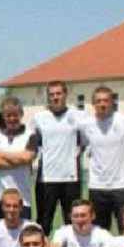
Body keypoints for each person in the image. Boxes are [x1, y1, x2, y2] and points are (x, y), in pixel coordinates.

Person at [30, 81, 83, 235]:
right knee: (43, 223)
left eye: (58, 93)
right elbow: (32, 144)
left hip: (71, 178)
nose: (55, 97)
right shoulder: (39, 118)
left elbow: (87, 139)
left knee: (73, 223)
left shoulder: (79, 116)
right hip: (46, 178)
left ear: (65, 94)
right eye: (51, 94)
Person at [80, 86, 124, 232]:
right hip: (97, 186)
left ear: (112, 102)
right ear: (93, 103)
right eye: (98, 101)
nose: (102, 104)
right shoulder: (85, 125)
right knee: (99, 232)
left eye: (106, 100)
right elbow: (81, 146)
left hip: (122, 185)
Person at [0, 96, 36, 224]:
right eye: (8, 115)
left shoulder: (31, 135)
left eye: (15, 115)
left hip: (22, 198)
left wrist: (0, 154)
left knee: (21, 235)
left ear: (21, 114)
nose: (12, 119)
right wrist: (18, 159)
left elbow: (27, 157)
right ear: (3, 116)